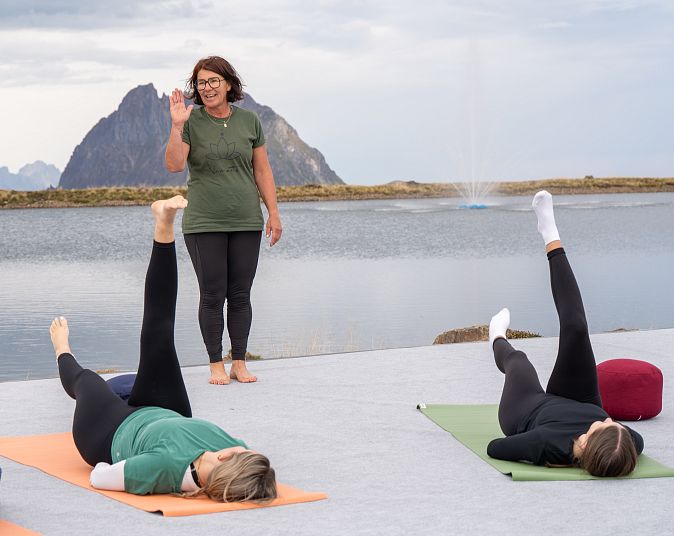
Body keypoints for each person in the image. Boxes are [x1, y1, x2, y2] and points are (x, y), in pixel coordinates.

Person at [50, 196, 277, 501]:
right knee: (159, 333)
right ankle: (164, 222)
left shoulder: (164, 468)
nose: (240, 447)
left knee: (87, 381)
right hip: (165, 412)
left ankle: (62, 348)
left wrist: (169, 476)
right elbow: (254, 470)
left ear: (225, 460)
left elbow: (100, 477)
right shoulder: (233, 448)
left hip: (107, 431)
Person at [486, 190, 644, 477]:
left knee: (520, 362)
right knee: (576, 328)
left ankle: (496, 336)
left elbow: (495, 448)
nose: (609, 419)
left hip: (527, 411)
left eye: (604, 425)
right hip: (579, 400)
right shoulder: (627, 441)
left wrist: (553, 454)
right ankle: (550, 233)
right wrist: (608, 429)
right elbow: (627, 441)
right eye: (614, 424)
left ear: (584, 441)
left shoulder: (546, 442)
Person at [165, 55, 282, 385]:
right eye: (201, 83)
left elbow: (262, 170)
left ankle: (239, 362)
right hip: (205, 222)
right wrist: (176, 126)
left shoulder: (250, 122)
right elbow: (174, 164)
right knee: (213, 294)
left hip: (246, 219)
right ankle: (216, 362)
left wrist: (273, 212)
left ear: (229, 84)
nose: (207, 88)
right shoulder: (190, 122)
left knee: (241, 294)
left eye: (214, 81)